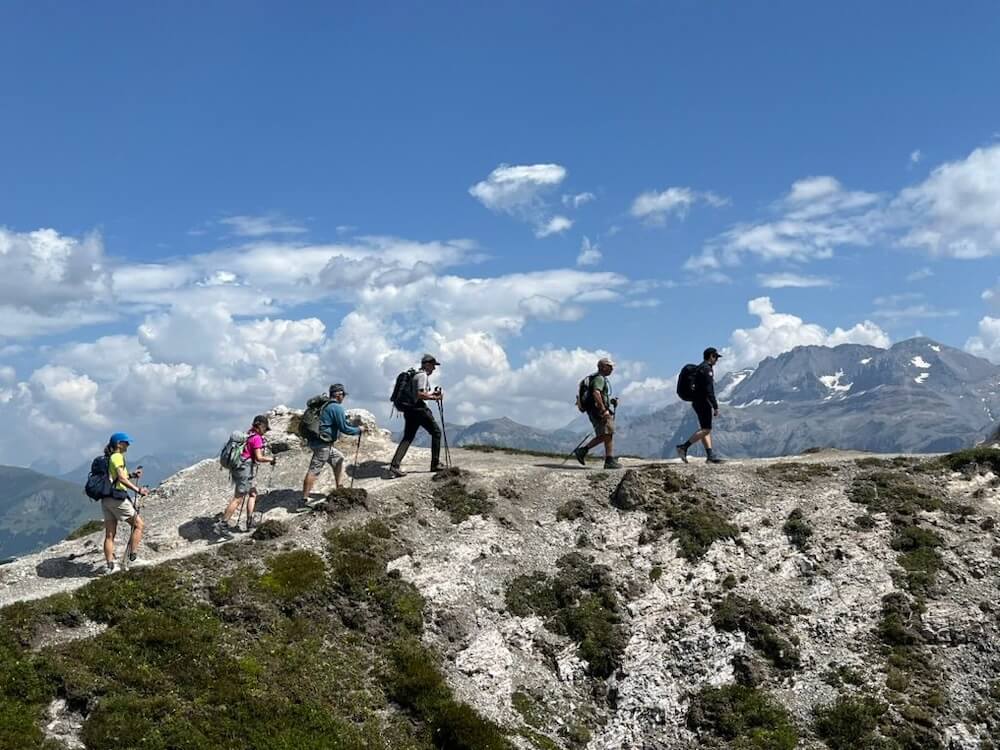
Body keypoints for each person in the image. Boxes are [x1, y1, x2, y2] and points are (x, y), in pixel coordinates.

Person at [301, 383, 363, 508]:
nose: (344, 397)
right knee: (314, 470)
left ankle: (339, 487)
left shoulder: (326, 406)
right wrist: (358, 430)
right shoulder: (336, 407)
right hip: (322, 444)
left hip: (317, 441)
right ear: (338, 394)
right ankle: (303, 501)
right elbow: (344, 428)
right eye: (343, 394)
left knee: (338, 458)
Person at [214, 415, 276, 537]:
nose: (265, 431)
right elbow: (259, 457)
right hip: (245, 469)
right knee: (238, 498)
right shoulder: (257, 438)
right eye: (265, 428)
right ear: (260, 426)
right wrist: (271, 459)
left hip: (239, 468)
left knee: (252, 493)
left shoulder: (249, 434)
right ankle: (222, 525)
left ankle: (250, 521)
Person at [388, 353, 443, 478]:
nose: (434, 369)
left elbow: (419, 392)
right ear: (427, 364)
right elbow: (420, 394)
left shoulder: (415, 374)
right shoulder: (422, 375)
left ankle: (394, 466)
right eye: (433, 366)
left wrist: (430, 393)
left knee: (408, 437)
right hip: (419, 409)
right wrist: (435, 397)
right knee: (436, 432)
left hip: (409, 409)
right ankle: (435, 464)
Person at [102, 432, 148, 573]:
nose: (128, 445)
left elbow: (116, 477)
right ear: (118, 444)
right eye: (126, 442)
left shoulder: (109, 458)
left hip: (106, 499)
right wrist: (138, 489)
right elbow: (121, 479)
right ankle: (133, 559)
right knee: (139, 525)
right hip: (117, 498)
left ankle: (110, 566)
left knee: (110, 534)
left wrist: (133, 475)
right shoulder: (118, 457)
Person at [574, 357, 622, 470]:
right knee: (608, 433)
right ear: (602, 367)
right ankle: (609, 461)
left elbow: (598, 394)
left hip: (594, 410)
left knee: (604, 435)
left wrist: (610, 402)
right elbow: (596, 393)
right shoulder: (599, 378)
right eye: (609, 367)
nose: (612, 369)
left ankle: (583, 451)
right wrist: (603, 410)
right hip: (598, 411)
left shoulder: (597, 378)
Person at [677, 347, 723, 464]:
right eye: (716, 357)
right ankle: (684, 447)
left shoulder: (699, 368)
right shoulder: (707, 369)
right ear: (711, 356)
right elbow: (709, 390)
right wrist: (715, 406)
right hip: (703, 402)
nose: (716, 360)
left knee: (705, 428)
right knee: (706, 429)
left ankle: (710, 456)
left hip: (696, 401)